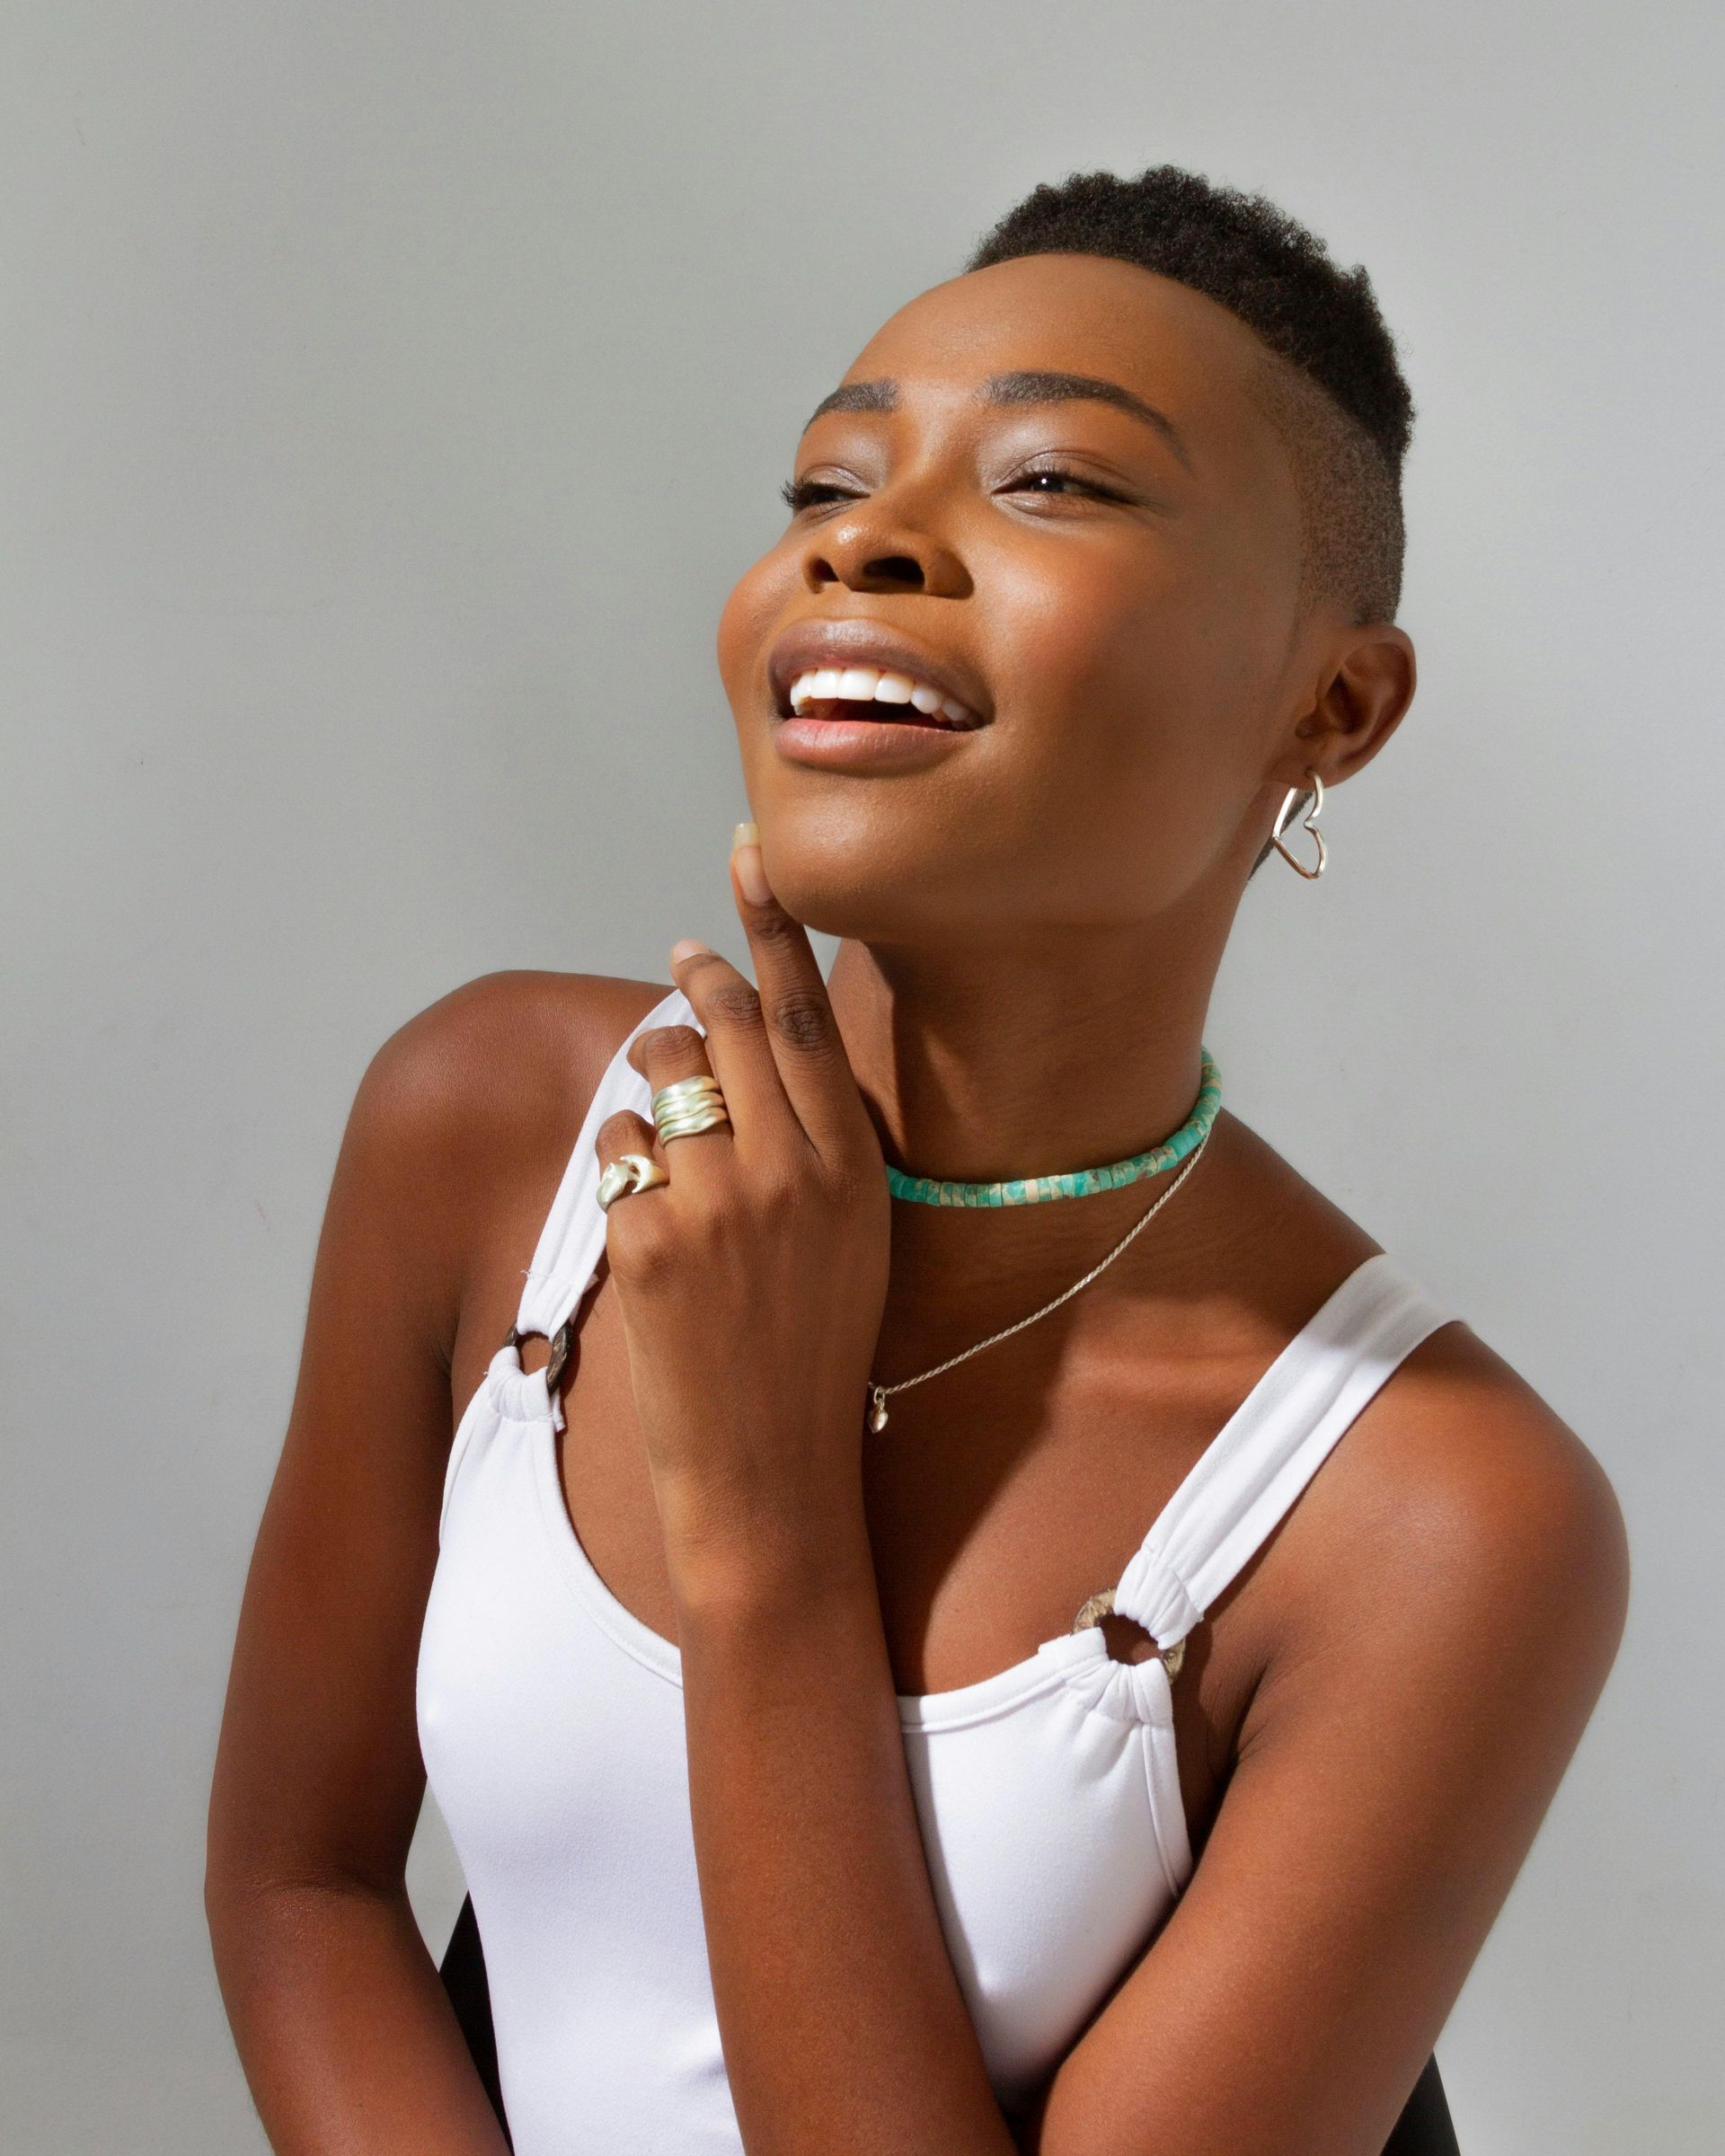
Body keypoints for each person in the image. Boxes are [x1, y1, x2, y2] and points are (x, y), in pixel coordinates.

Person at [204, 165, 1629, 2155]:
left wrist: (769, 1522)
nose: (865, 542)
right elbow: (303, 1892)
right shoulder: (494, 1131)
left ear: (1333, 704)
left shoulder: (1434, 1515)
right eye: (822, 487)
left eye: (1053, 481)